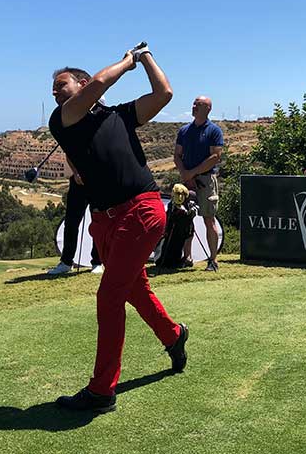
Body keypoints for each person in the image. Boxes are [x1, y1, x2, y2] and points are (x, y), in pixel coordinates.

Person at [48, 46, 188, 414]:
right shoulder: (63, 119)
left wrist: (144, 59)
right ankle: (174, 336)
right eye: (53, 88)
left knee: (109, 296)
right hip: (104, 220)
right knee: (135, 289)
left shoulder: (121, 115)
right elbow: (98, 84)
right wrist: (128, 63)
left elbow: (164, 94)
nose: (55, 91)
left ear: (79, 84)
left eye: (61, 84)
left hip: (141, 210)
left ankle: (102, 390)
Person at [174, 96, 224, 271]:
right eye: (194, 104)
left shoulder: (214, 131)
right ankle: (187, 257)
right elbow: (177, 155)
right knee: (185, 218)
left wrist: (192, 173)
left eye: (198, 104)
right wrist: (185, 174)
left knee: (209, 219)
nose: (194, 106)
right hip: (186, 181)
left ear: (208, 108)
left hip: (206, 181)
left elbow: (215, 157)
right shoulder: (184, 131)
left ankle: (213, 260)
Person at [47, 156, 103, 275]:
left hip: (98, 181)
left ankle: (97, 262)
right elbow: (69, 155)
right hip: (78, 183)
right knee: (71, 223)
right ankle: (66, 262)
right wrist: (76, 173)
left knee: (98, 222)